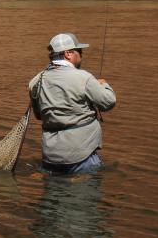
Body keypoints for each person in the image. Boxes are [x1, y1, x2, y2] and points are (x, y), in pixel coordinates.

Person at [28, 33, 116, 175]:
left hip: (51, 157)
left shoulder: (35, 81)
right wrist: (104, 84)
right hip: (82, 156)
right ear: (68, 54)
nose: (81, 55)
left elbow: (39, 115)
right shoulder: (84, 77)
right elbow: (109, 102)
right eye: (79, 51)